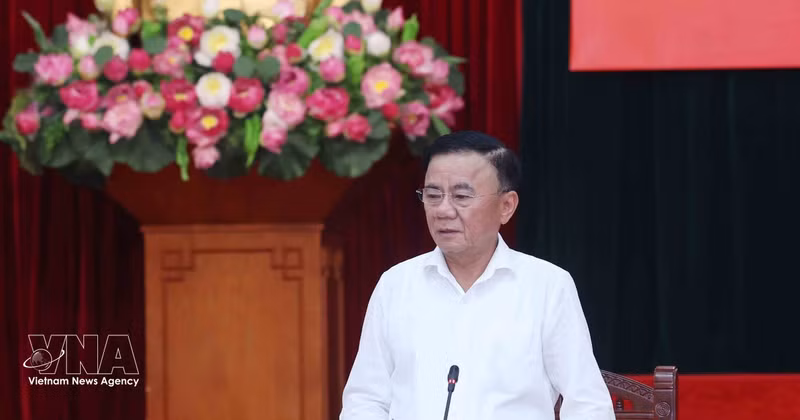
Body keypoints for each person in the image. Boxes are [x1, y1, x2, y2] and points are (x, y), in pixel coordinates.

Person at [340, 131, 614, 420]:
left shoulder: (547, 286)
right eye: (433, 195)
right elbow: (365, 400)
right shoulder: (395, 285)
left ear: (506, 206)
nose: (443, 210)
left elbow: (587, 404)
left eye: (461, 196)